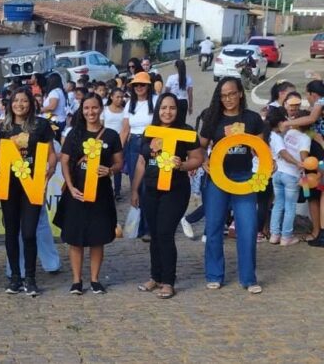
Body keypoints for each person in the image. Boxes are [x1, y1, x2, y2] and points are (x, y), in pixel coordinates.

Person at [131, 94, 203, 299]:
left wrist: (182, 165)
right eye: (163, 108)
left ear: (177, 110)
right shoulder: (149, 131)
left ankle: (169, 281)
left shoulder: (186, 132)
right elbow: (141, 162)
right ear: (157, 110)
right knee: (154, 234)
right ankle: (155, 276)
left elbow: (198, 158)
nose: (167, 112)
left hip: (175, 190)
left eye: (172, 108)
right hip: (151, 190)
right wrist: (135, 189)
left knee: (165, 233)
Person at [199, 77, 264, 294]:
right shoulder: (212, 118)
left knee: (247, 228)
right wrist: (204, 160)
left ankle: (249, 278)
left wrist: (267, 165)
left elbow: (260, 149)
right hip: (217, 179)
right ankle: (214, 274)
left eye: (232, 94)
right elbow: (200, 147)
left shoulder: (253, 119)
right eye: (223, 95)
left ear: (240, 94)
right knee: (215, 227)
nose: (228, 99)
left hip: (244, 178)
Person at [0, 87, 57, 296]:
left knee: (29, 232)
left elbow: (51, 154)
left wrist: (51, 168)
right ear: (10, 104)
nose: (20, 104)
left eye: (24, 101)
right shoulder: (4, 127)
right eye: (16, 101)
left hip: (32, 183)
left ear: (31, 103)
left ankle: (30, 277)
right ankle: (15, 278)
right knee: (11, 232)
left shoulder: (41, 125)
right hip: (10, 184)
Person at [56, 94, 123, 296]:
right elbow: (64, 161)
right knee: (75, 238)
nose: (90, 112)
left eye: (94, 108)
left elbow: (119, 163)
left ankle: (95, 279)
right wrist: (69, 185)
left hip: (100, 194)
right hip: (76, 193)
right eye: (86, 108)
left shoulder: (111, 135)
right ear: (82, 110)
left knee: (97, 237)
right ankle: (77, 280)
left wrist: (110, 170)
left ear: (101, 109)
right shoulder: (74, 134)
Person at [119, 72, 158, 239]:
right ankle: (139, 226)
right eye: (136, 85)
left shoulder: (156, 101)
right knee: (136, 184)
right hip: (133, 145)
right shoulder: (129, 105)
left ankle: (150, 226)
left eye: (142, 85)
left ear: (148, 86)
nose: (139, 88)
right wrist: (118, 151)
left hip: (151, 143)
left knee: (148, 185)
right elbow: (125, 130)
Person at [268, 108, 309, 246]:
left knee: (278, 204)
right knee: (290, 206)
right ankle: (286, 237)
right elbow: (304, 159)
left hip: (278, 173)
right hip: (291, 175)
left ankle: (274, 235)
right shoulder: (305, 138)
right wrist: (301, 164)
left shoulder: (289, 132)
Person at [103, 88, 126, 200]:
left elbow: (126, 128)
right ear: (111, 97)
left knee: (118, 167)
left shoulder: (125, 111)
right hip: (105, 143)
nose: (120, 99)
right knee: (105, 166)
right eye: (117, 97)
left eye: (122, 97)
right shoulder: (105, 110)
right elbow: (101, 126)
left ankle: (117, 191)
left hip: (120, 142)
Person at [164, 60, 193, 125]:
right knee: (182, 123)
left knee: (171, 123)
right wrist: (190, 107)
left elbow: (166, 92)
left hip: (173, 103)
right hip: (183, 103)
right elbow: (190, 95)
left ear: (176, 67)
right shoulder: (189, 78)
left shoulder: (171, 78)